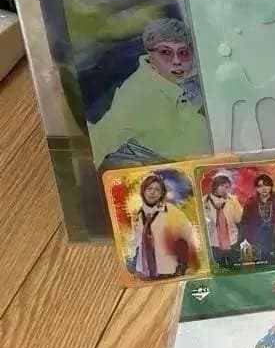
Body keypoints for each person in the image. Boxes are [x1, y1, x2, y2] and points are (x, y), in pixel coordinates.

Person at [88, 17, 209, 169]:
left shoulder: (194, 74)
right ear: (149, 53)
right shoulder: (135, 97)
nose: (177, 60)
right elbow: (100, 141)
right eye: (166, 52)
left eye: (183, 52)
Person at [130, 173, 198, 280]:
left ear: (162, 193)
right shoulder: (137, 215)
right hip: (143, 272)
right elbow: (137, 243)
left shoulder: (173, 212)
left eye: (157, 189)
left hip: (168, 271)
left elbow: (185, 239)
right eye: (149, 188)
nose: (152, 192)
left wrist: (182, 266)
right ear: (143, 191)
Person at [241, 173, 275, 263]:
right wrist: (251, 239)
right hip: (259, 242)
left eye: (266, 185)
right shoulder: (250, 203)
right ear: (256, 188)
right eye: (260, 186)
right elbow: (245, 222)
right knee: (263, 265)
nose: (264, 188)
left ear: (271, 186)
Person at [204, 172, 243, 268]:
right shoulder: (204, 201)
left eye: (226, 187)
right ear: (215, 185)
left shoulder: (232, 200)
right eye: (221, 186)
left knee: (235, 268)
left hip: (232, 241)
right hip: (214, 243)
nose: (224, 189)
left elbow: (239, 220)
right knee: (219, 268)